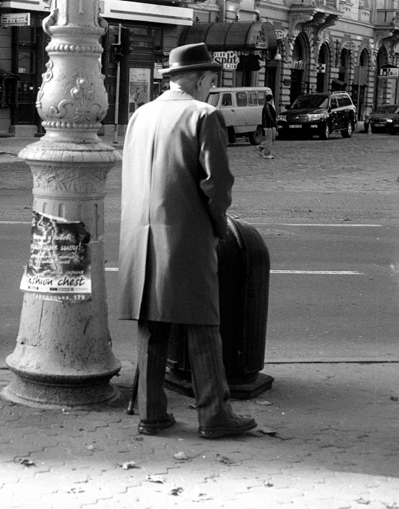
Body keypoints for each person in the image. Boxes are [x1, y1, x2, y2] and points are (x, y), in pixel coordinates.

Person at [118, 43, 257, 439]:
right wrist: (218, 226)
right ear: (198, 79)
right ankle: (215, 414)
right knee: (203, 323)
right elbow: (217, 183)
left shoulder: (141, 115)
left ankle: (152, 413)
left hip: (140, 237)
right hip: (186, 233)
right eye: (211, 80)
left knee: (152, 324)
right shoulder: (204, 115)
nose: (211, 87)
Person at [259, 92, 277, 159]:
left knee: (271, 139)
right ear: (271, 99)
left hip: (270, 125)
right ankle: (267, 153)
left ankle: (262, 147)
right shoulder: (267, 106)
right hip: (267, 125)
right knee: (269, 140)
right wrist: (274, 123)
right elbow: (269, 116)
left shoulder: (270, 106)